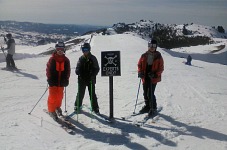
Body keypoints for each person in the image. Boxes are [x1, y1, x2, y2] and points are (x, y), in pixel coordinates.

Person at [137, 39, 164, 116]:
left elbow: (161, 68)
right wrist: (140, 72)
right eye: (150, 45)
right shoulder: (144, 55)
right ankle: (147, 106)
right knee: (145, 92)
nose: (152, 47)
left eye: (154, 46)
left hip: (153, 77)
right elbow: (139, 65)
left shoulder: (158, 56)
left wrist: (155, 74)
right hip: (145, 76)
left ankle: (153, 108)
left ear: (156, 47)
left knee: (150, 93)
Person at [46, 41, 71, 121]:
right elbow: (48, 69)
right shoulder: (52, 59)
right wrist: (49, 78)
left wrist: (67, 79)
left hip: (61, 82)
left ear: (64, 50)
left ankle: (57, 107)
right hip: (53, 82)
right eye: (58, 49)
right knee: (53, 96)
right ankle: (51, 110)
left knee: (59, 96)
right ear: (56, 49)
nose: (60, 51)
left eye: (61, 49)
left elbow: (68, 70)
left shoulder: (66, 60)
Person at [74, 42, 100, 114]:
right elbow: (77, 67)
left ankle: (95, 108)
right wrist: (77, 71)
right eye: (83, 49)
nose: (85, 51)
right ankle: (77, 105)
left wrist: (93, 74)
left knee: (92, 94)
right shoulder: (81, 58)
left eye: (86, 49)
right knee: (80, 93)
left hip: (90, 79)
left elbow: (97, 68)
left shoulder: (93, 58)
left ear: (89, 49)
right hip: (82, 79)